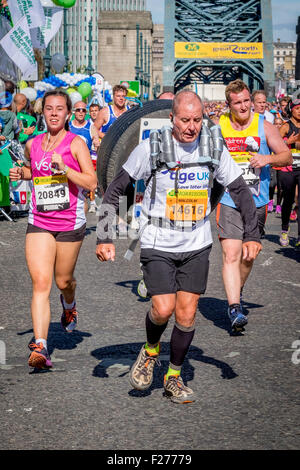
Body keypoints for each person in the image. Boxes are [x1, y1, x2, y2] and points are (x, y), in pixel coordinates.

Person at [96, 90, 262, 404]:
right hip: (159, 240)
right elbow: (117, 187)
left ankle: (173, 376)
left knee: (186, 316)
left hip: (197, 242)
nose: (191, 126)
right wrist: (105, 237)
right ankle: (150, 350)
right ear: (172, 117)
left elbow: (239, 190)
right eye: (184, 119)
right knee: (163, 308)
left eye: (197, 120)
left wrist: (252, 235)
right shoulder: (153, 147)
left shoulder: (213, 146)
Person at [9, 90, 97, 370]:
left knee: (63, 281)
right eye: (49, 108)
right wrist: (21, 174)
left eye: (60, 109)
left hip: (70, 222)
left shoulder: (76, 144)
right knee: (40, 283)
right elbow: (33, 171)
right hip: (40, 221)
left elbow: (92, 182)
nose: (55, 113)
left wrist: (66, 170)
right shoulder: (32, 144)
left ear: (68, 114)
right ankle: (41, 345)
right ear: (43, 112)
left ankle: (69, 304)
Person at [217, 79, 292, 328]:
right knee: (231, 253)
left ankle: (237, 290)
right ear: (228, 105)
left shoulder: (265, 126)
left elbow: (286, 155)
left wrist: (267, 158)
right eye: (237, 103)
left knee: (248, 257)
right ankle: (234, 307)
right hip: (228, 199)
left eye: (246, 101)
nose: (243, 106)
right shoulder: (220, 126)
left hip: (257, 201)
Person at [278, 98, 300, 247]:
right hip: (288, 168)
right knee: (288, 199)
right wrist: (288, 142)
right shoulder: (286, 126)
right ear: (291, 109)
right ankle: (284, 230)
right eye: (298, 108)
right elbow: (275, 145)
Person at [69, 100, 97, 213]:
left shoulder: (91, 127)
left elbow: (95, 138)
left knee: (85, 192)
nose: (81, 112)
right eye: (78, 110)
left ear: (86, 113)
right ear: (73, 112)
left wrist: (96, 142)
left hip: (85, 164)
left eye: (83, 110)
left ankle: (92, 202)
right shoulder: (68, 126)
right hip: (70, 163)